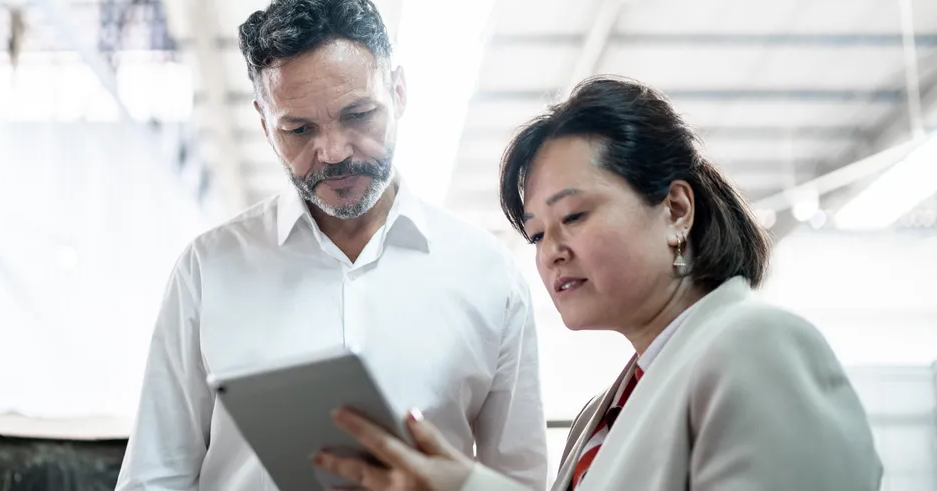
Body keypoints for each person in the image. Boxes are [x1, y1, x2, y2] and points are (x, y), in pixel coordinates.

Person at [313, 76, 883, 491]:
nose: (553, 252)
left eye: (576, 216)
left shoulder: (756, 345)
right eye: (536, 235)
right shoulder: (601, 413)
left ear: (677, 210)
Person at [115, 0, 548, 490]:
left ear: (399, 92)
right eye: (298, 130)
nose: (334, 151)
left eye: (358, 115)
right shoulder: (208, 269)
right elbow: (155, 476)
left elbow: (520, 483)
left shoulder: (488, 275)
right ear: (263, 122)